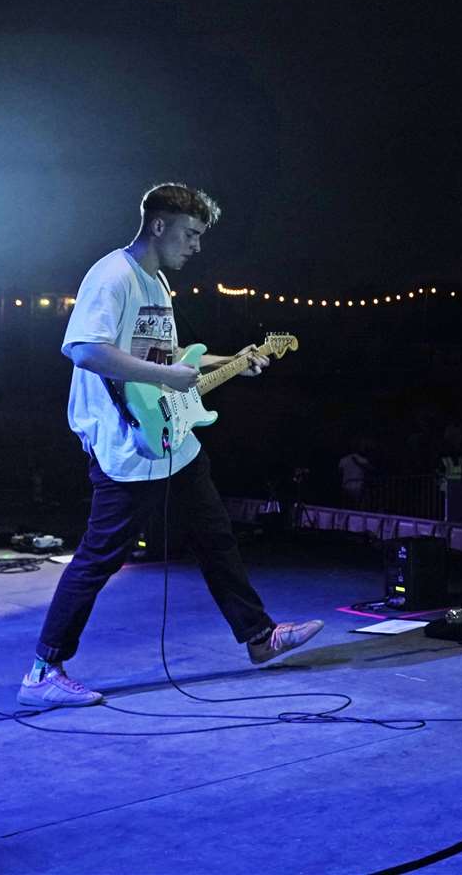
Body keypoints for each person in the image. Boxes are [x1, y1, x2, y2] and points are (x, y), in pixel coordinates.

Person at [20, 183, 323, 708]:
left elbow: (164, 357)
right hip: (126, 443)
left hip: (171, 437)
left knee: (215, 537)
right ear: (159, 226)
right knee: (98, 558)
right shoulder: (113, 275)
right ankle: (43, 670)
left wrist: (226, 360)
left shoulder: (158, 283)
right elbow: (83, 348)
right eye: (191, 234)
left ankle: (258, 637)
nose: (197, 247)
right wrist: (172, 376)